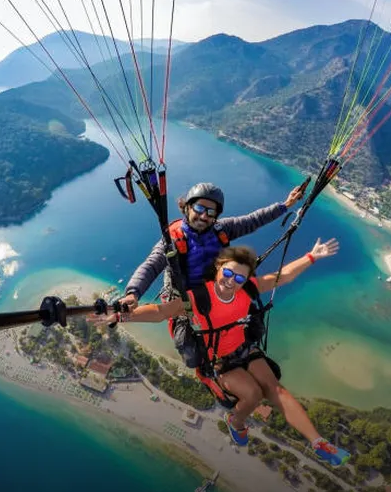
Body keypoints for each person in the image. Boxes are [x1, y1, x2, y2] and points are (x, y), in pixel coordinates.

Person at [105, 238, 350, 467]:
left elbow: (283, 276)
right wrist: (122, 315)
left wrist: (312, 256)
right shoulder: (199, 297)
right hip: (219, 361)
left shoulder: (247, 290)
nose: (231, 281)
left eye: (239, 278)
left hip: (245, 348)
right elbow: (159, 312)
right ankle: (235, 422)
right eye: (228, 273)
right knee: (253, 394)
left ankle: (319, 443)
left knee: (275, 388)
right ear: (218, 268)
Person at [119, 181, 306, 365]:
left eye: (210, 212)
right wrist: (133, 293)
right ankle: (211, 366)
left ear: (216, 215)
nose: (203, 216)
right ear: (187, 207)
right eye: (199, 208)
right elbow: (151, 266)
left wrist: (285, 205)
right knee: (192, 354)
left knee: (254, 327)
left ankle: (238, 352)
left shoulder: (221, 229)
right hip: (187, 298)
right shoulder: (172, 240)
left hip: (218, 291)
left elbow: (253, 220)